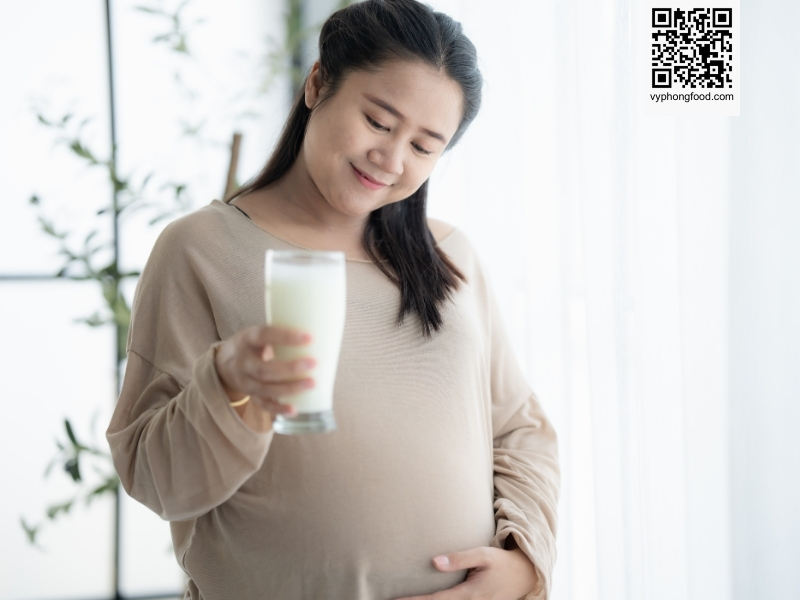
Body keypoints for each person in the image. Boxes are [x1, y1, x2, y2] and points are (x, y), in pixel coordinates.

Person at [106, 1, 559, 599]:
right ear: (318, 83)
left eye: (424, 147)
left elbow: (520, 430)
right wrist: (228, 389)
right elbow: (153, 476)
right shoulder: (201, 249)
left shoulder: (451, 258)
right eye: (378, 121)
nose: (391, 159)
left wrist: (524, 561)